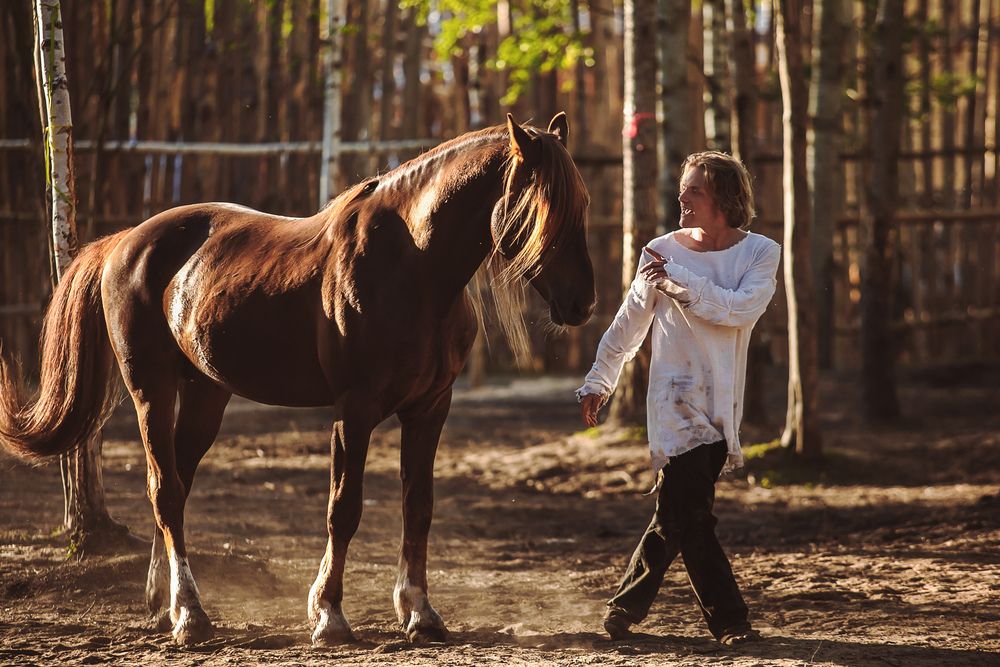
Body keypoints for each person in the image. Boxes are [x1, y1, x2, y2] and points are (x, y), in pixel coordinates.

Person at [577, 151, 780, 646]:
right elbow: (629, 322)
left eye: (695, 191)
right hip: (674, 398)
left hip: (722, 402)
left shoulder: (759, 253)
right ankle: (730, 622)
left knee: (681, 514)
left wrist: (678, 282)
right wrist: (599, 380)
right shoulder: (660, 249)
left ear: (725, 200)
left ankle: (624, 610)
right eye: (683, 189)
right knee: (687, 511)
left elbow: (737, 310)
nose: (682, 199)